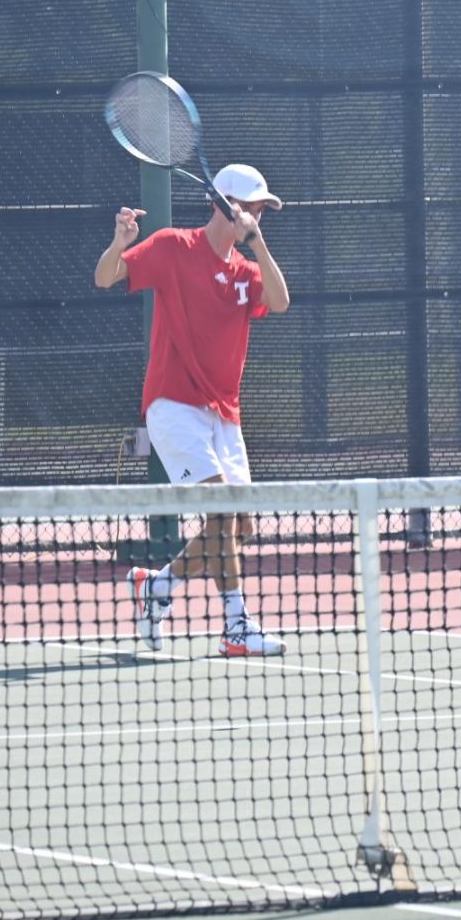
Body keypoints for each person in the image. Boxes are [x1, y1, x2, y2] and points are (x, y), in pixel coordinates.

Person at [94, 164, 291, 656]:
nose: (262, 214)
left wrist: (257, 245)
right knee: (224, 515)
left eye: (264, 208)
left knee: (239, 526)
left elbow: (282, 301)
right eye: (256, 207)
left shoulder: (246, 272)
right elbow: (104, 278)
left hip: (224, 414)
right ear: (227, 205)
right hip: (173, 404)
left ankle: (157, 588)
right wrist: (121, 240)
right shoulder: (172, 248)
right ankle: (235, 626)